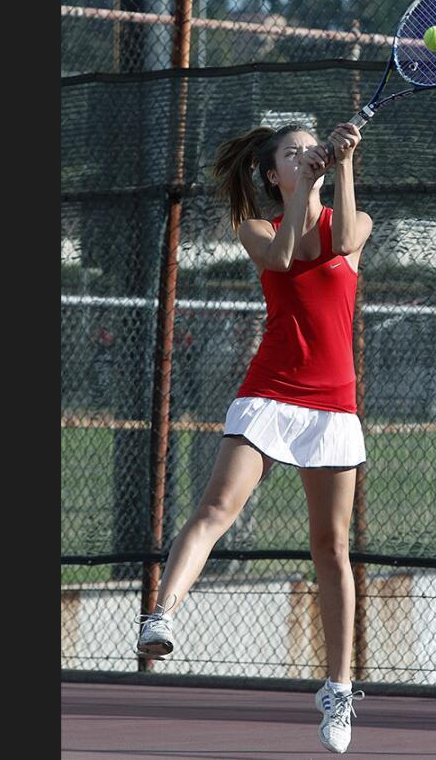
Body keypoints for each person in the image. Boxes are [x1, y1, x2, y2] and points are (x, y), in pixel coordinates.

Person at [134, 120, 372, 753]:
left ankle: (339, 688)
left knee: (332, 547)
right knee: (217, 507)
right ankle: (161, 617)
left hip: (333, 404)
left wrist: (342, 168)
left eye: (311, 145)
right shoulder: (256, 227)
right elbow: (285, 257)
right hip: (269, 393)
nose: (306, 154)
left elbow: (343, 238)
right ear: (273, 174)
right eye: (293, 153)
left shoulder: (357, 221)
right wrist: (304, 193)